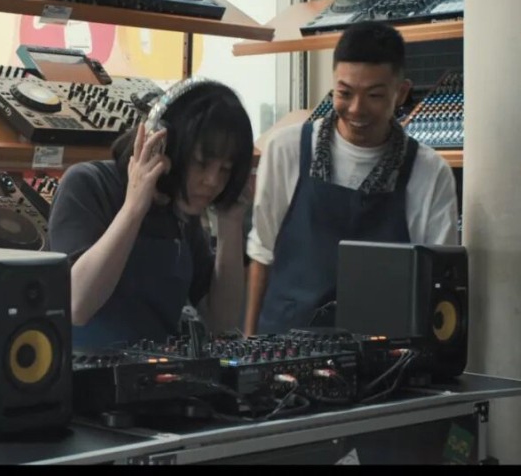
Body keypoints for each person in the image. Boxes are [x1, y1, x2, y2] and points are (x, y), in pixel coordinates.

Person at [244, 21, 459, 335]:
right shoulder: (286, 149)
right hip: (284, 346)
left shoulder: (429, 172)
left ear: (401, 93)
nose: (357, 109)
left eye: (374, 95)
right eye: (344, 93)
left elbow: (434, 282)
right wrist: (248, 344)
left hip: (381, 353)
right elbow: (262, 254)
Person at [48, 77, 255, 350]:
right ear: (162, 145)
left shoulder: (182, 211)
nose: (213, 181)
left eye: (225, 170)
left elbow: (222, 322)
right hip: (85, 371)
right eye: (202, 163)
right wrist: (134, 206)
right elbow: (77, 304)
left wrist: (230, 223)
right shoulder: (88, 184)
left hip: (157, 372)